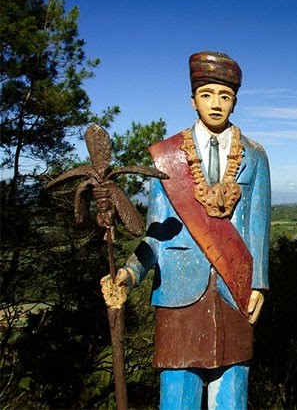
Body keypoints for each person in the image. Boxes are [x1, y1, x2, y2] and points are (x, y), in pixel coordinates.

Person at [102, 50, 270, 410]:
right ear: (193, 99)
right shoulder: (168, 158)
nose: (215, 104)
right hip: (178, 294)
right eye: (207, 94)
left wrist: (258, 283)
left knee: (233, 395)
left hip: (234, 288)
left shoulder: (255, 156)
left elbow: (258, 226)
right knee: (178, 395)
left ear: (235, 102)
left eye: (224, 96)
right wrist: (130, 274)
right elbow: (156, 232)